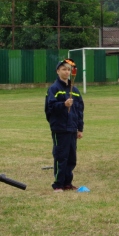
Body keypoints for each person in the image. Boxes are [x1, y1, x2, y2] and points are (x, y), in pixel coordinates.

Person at [45, 58, 84, 192]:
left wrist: (80, 128)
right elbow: (50, 107)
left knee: (71, 157)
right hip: (60, 128)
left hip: (72, 128)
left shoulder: (75, 90)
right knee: (61, 156)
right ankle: (58, 184)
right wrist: (63, 105)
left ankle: (68, 182)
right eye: (63, 69)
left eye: (68, 69)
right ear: (58, 71)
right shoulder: (54, 89)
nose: (66, 72)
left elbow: (79, 110)